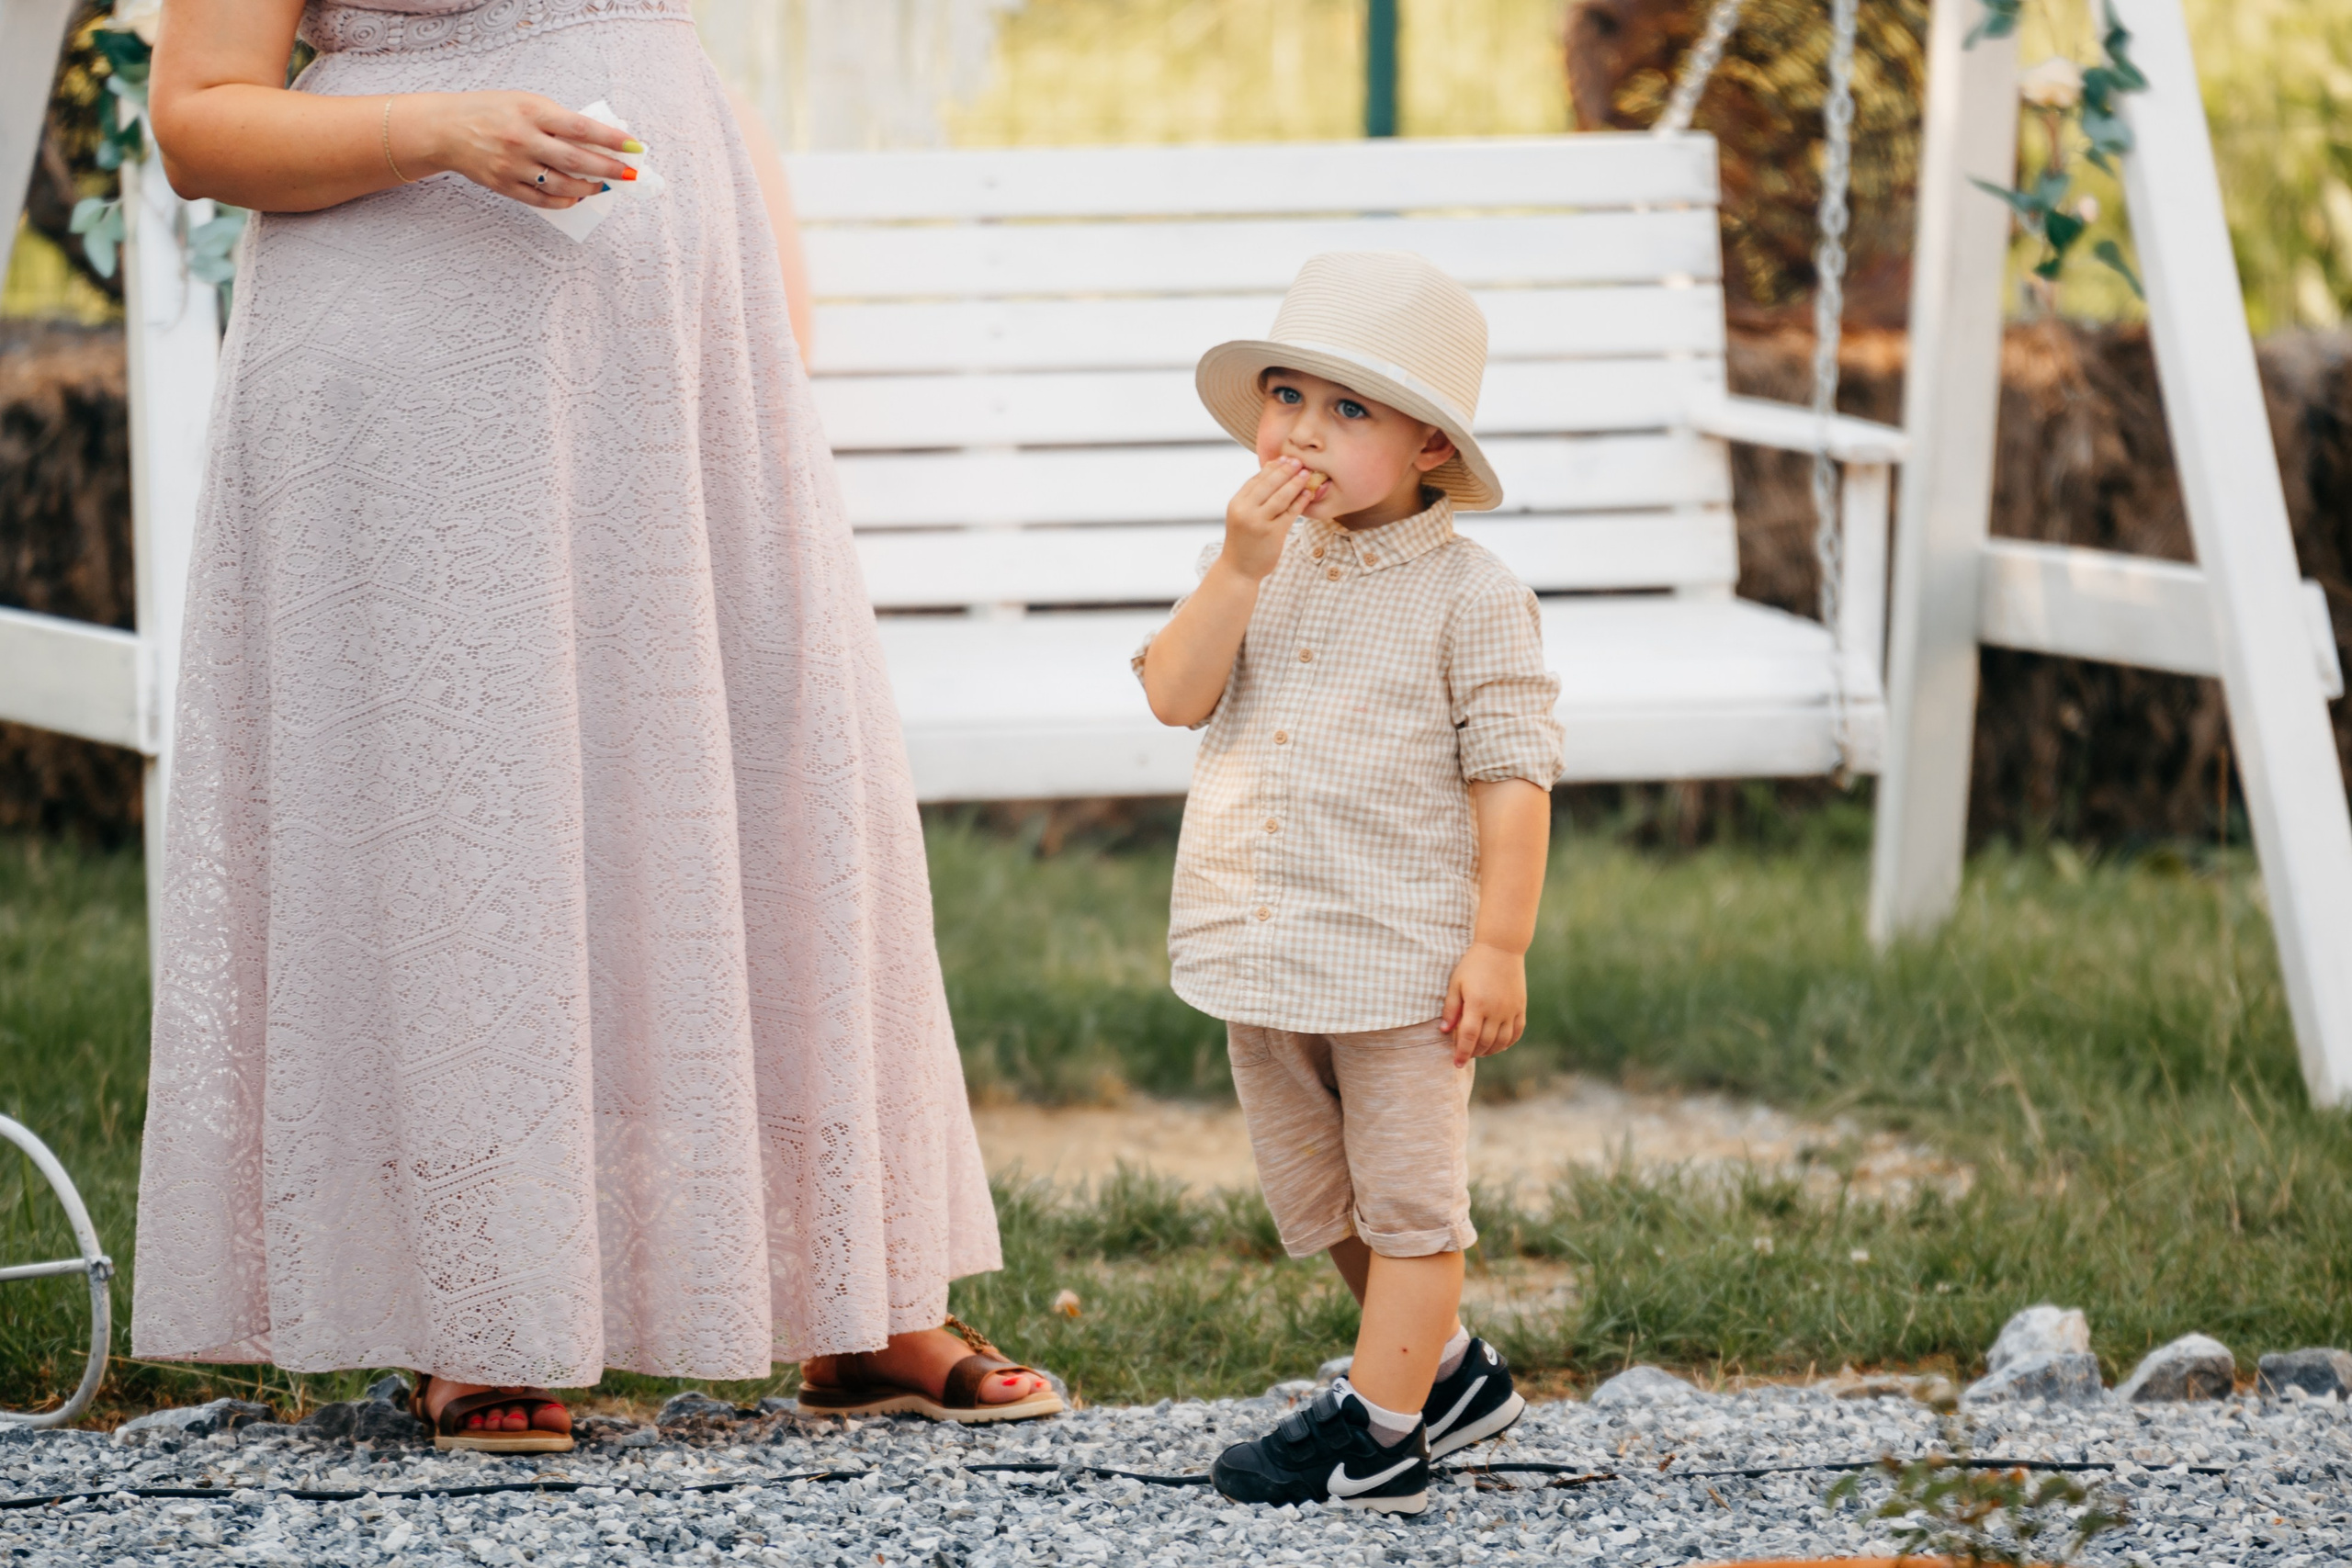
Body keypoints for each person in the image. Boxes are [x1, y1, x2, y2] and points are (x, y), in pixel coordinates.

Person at [131, 0, 1061, 1452]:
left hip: (677, 356)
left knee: (773, 773)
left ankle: (855, 1292)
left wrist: (747, 279)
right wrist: (438, 127)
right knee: (475, 811)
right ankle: (478, 1305)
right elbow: (197, 119)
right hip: (420, 383)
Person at [1134, 252, 1562, 1513]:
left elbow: (1514, 778)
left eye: (1349, 410)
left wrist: (1499, 946)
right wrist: (1235, 568)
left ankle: (1381, 1437)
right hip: (1262, 948)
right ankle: (1455, 1378)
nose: (1301, 435)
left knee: (1412, 1210)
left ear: (1431, 446)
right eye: (1287, 398)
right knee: (1320, 1204)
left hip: (1399, 967)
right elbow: (1174, 695)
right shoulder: (1264, 565)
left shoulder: (1473, 599)